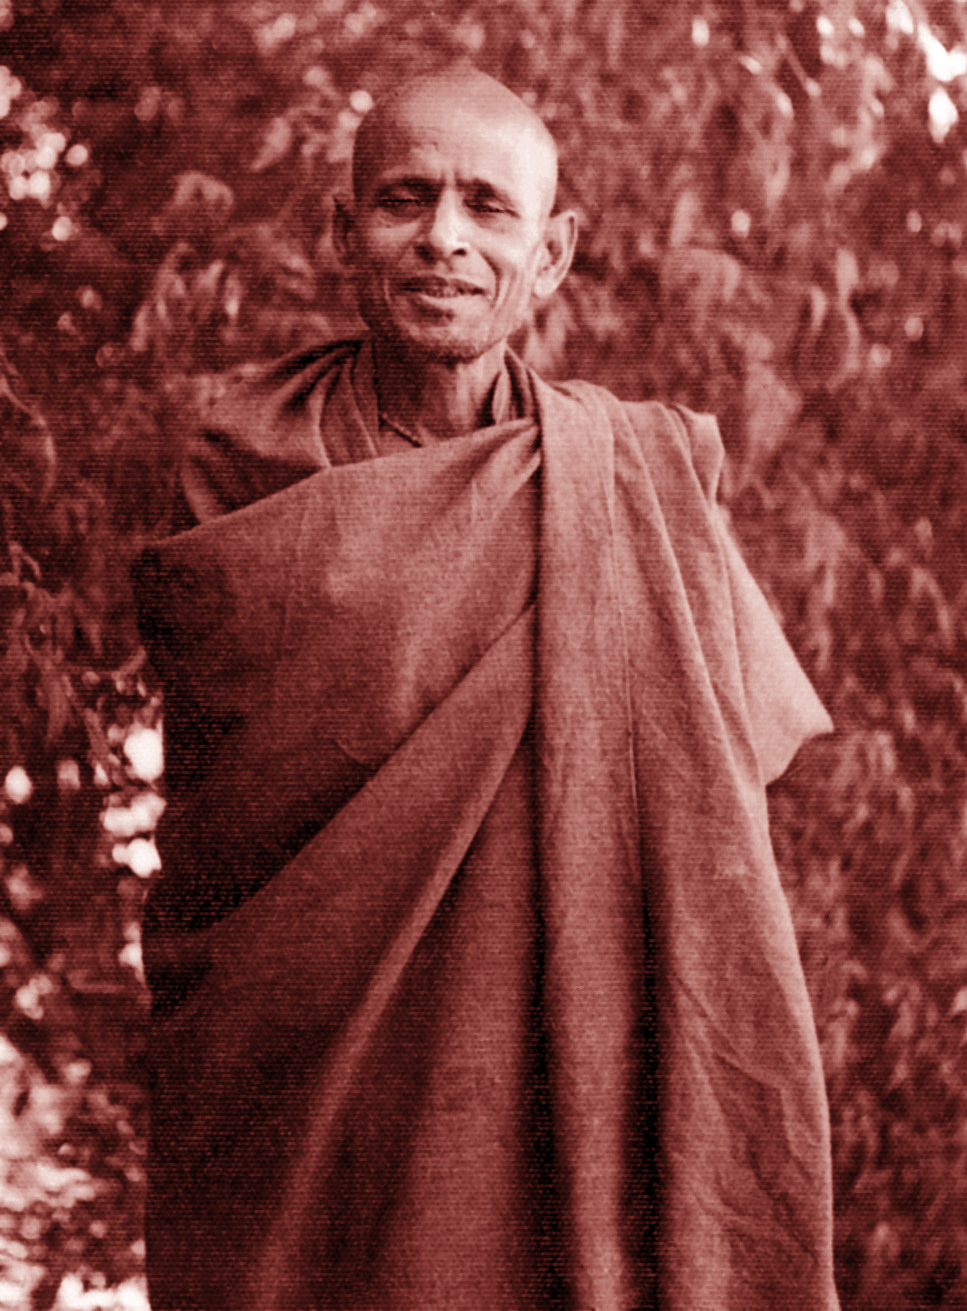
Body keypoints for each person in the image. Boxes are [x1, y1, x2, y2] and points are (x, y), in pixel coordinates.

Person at [132, 66, 840, 1311]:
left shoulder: (642, 480)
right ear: (341, 229)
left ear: (550, 252)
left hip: (568, 1073)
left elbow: (718, 802)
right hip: (307, 1084)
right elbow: (237, 827)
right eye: (405, 199)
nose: (443, 238)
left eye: (486, 205)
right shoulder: (242, 459)